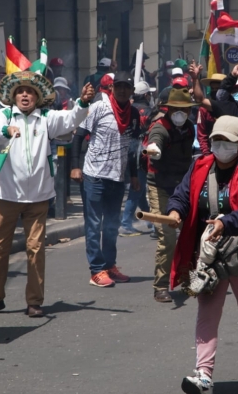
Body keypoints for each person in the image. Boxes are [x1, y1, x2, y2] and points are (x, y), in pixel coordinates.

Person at [165, 116, 238, 394]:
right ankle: (204, 375)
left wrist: (225, 223)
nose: (219, 145)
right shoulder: (200, 164)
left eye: (226, 141)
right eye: (216, 140)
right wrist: (175, 211)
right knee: (207, 311)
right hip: (206, 254)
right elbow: (181, 195)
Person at [0, 71, 94, 317]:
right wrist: (8, 131)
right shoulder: (3, 115)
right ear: (13, 96)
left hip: (39, 197)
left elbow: (71, 119)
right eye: (20, 91)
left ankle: (34, 301)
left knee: (35, 249)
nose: (24, 95)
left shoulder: (46, 118)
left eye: (29, 91)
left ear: (37, 96)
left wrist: (83, 102)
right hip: (6, 195)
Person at [74, 71, 142, 288]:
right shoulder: (98, 108)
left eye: (126, 87)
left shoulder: (133, 115)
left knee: (112, 225)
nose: (122, 90)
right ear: (112, 88)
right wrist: (75, 167)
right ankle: (96, 270)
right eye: (118, 86)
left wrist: (133, 174)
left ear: (131, 91)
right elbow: (77, 137)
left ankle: (110, 265)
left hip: (117, 177)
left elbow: (132, 149)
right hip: (94, 175)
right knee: (94, 224)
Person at [144, 87, 198, 302]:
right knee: (167, 237)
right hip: (160, 186)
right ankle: (161, 286)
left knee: (190, 234)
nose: (180, 113)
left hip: (182, 187)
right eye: (176, 109)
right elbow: (154, 142)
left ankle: (188, 279)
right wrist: (153, 149)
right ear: (167, 109)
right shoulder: (160, 128)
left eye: (184, 109)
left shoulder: (189, 129)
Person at [119, 80, 156, 236]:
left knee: (139, 186)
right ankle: (126, 222)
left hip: (129, 152)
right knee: (137, 188)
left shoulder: (130, 110)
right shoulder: (150, 112)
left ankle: (149, 219)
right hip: (143, 155)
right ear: (146, 95)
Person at [196, 73, 226, 156]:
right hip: (210, 151)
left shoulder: (233, 106)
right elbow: (201, 135)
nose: (215, 91)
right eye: (213, 89)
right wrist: (206, 154)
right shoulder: (203, 109)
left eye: (217, 88)